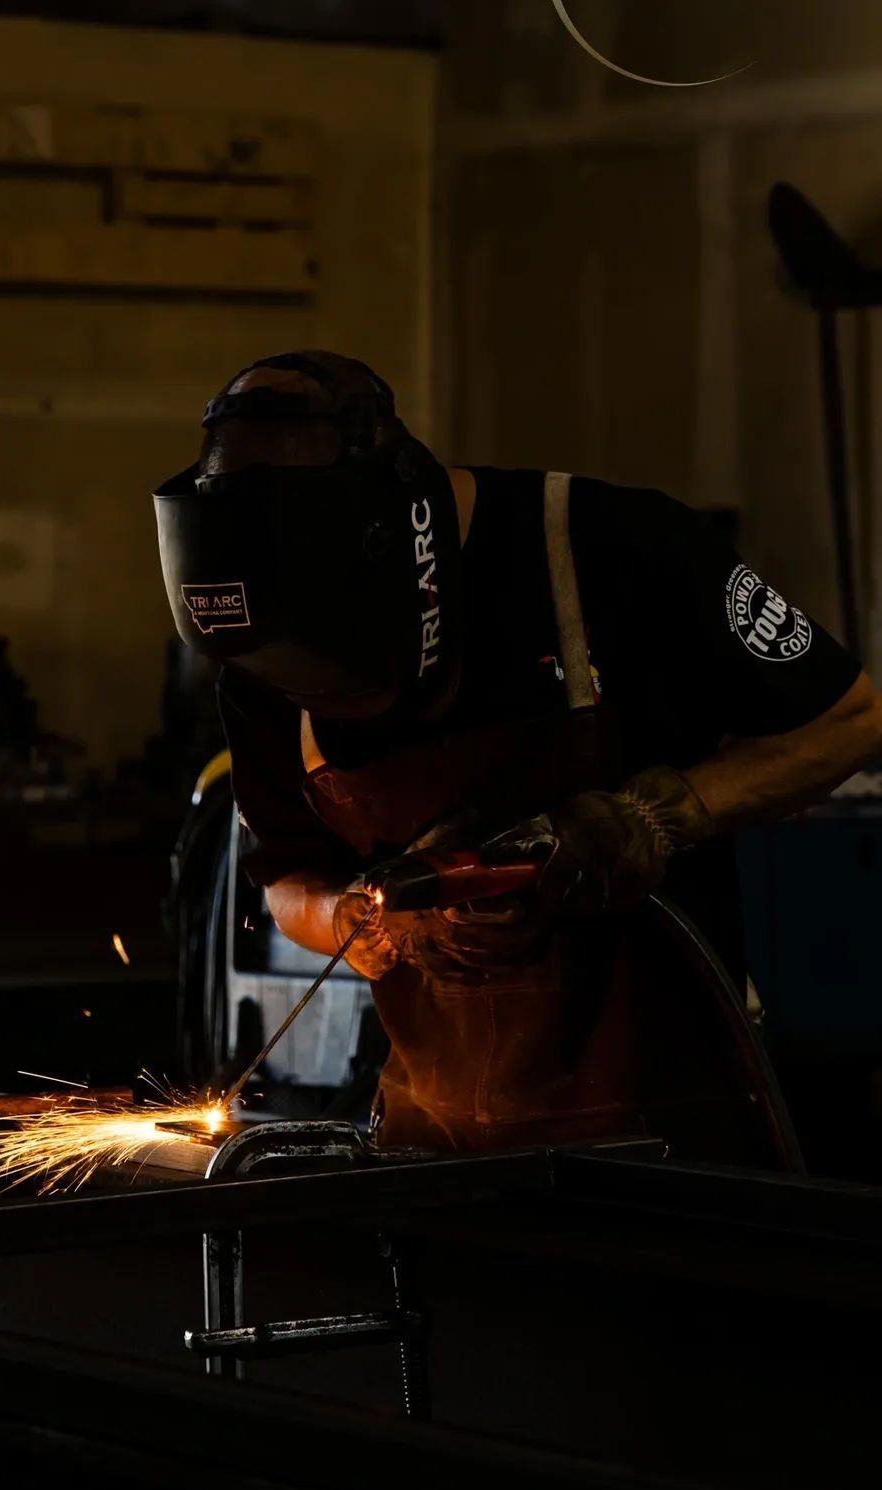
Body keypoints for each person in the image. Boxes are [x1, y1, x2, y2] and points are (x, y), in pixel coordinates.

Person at [154, 351, 882, 1160]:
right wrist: (344, 920)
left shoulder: (614, 548)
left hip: (668, 1150)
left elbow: (853, 717)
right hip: (430, 1155)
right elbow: (288, 876)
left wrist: (660, 813)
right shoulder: (260, 662)